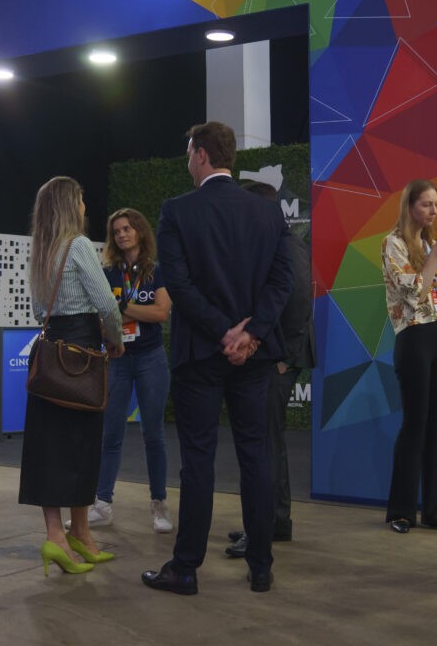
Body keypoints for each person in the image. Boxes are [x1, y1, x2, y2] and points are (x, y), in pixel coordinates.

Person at [142, 122, 294, 596]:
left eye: (190, 152)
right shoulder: (268, 211)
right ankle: (261, 566)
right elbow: (283, 280)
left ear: (202, 155)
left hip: (200, 356)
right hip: (254, 357)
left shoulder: (177, 211)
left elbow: (179, 285)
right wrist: (251, 332)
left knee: (198, 462)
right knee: (256, 457)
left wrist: (223, 331)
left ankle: (186, 569)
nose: (188, 160)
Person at [20, 176, 126, 576]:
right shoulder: (79, 245)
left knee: (49, 448)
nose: (85, 206)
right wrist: (115, 340)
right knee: (83, 446)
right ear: (70, 205)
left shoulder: (40, 250)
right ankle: (70, 536)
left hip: (50, 356)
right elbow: (107, 305)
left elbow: (38, 311)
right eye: (81, 199)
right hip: (82, 353)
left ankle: (66, 535)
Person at [225, 180, 314, 560]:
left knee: (265, 445)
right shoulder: (283, 241)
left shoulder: (283, 244)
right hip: (280, 355)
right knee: (268, 443)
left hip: (279, 358)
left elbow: (299, 301)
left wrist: (282, 357)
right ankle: (271, 522)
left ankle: (266, 526)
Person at [379, 178, 437, 535]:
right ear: (410, 206)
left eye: (435, 204)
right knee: (415, 423)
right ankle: (401, 510)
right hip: (413, 337)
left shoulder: (428, 243)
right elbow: (416, 292)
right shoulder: (393, 243)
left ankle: (436, 510)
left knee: (435, 424)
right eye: (426, 204)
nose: (433, 210)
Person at [90, 207, 173, 533]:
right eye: (117, 231)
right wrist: (130, 314)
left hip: (151, 358)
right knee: (111, 434)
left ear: (139, 231)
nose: (122, 234)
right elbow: (102, 318)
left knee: (153, 435)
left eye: (127, 228)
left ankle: (159, 504)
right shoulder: (108, 273)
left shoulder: (156, 271)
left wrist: (123, 308)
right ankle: (102, 504)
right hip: (118, 358)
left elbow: (162, 313)